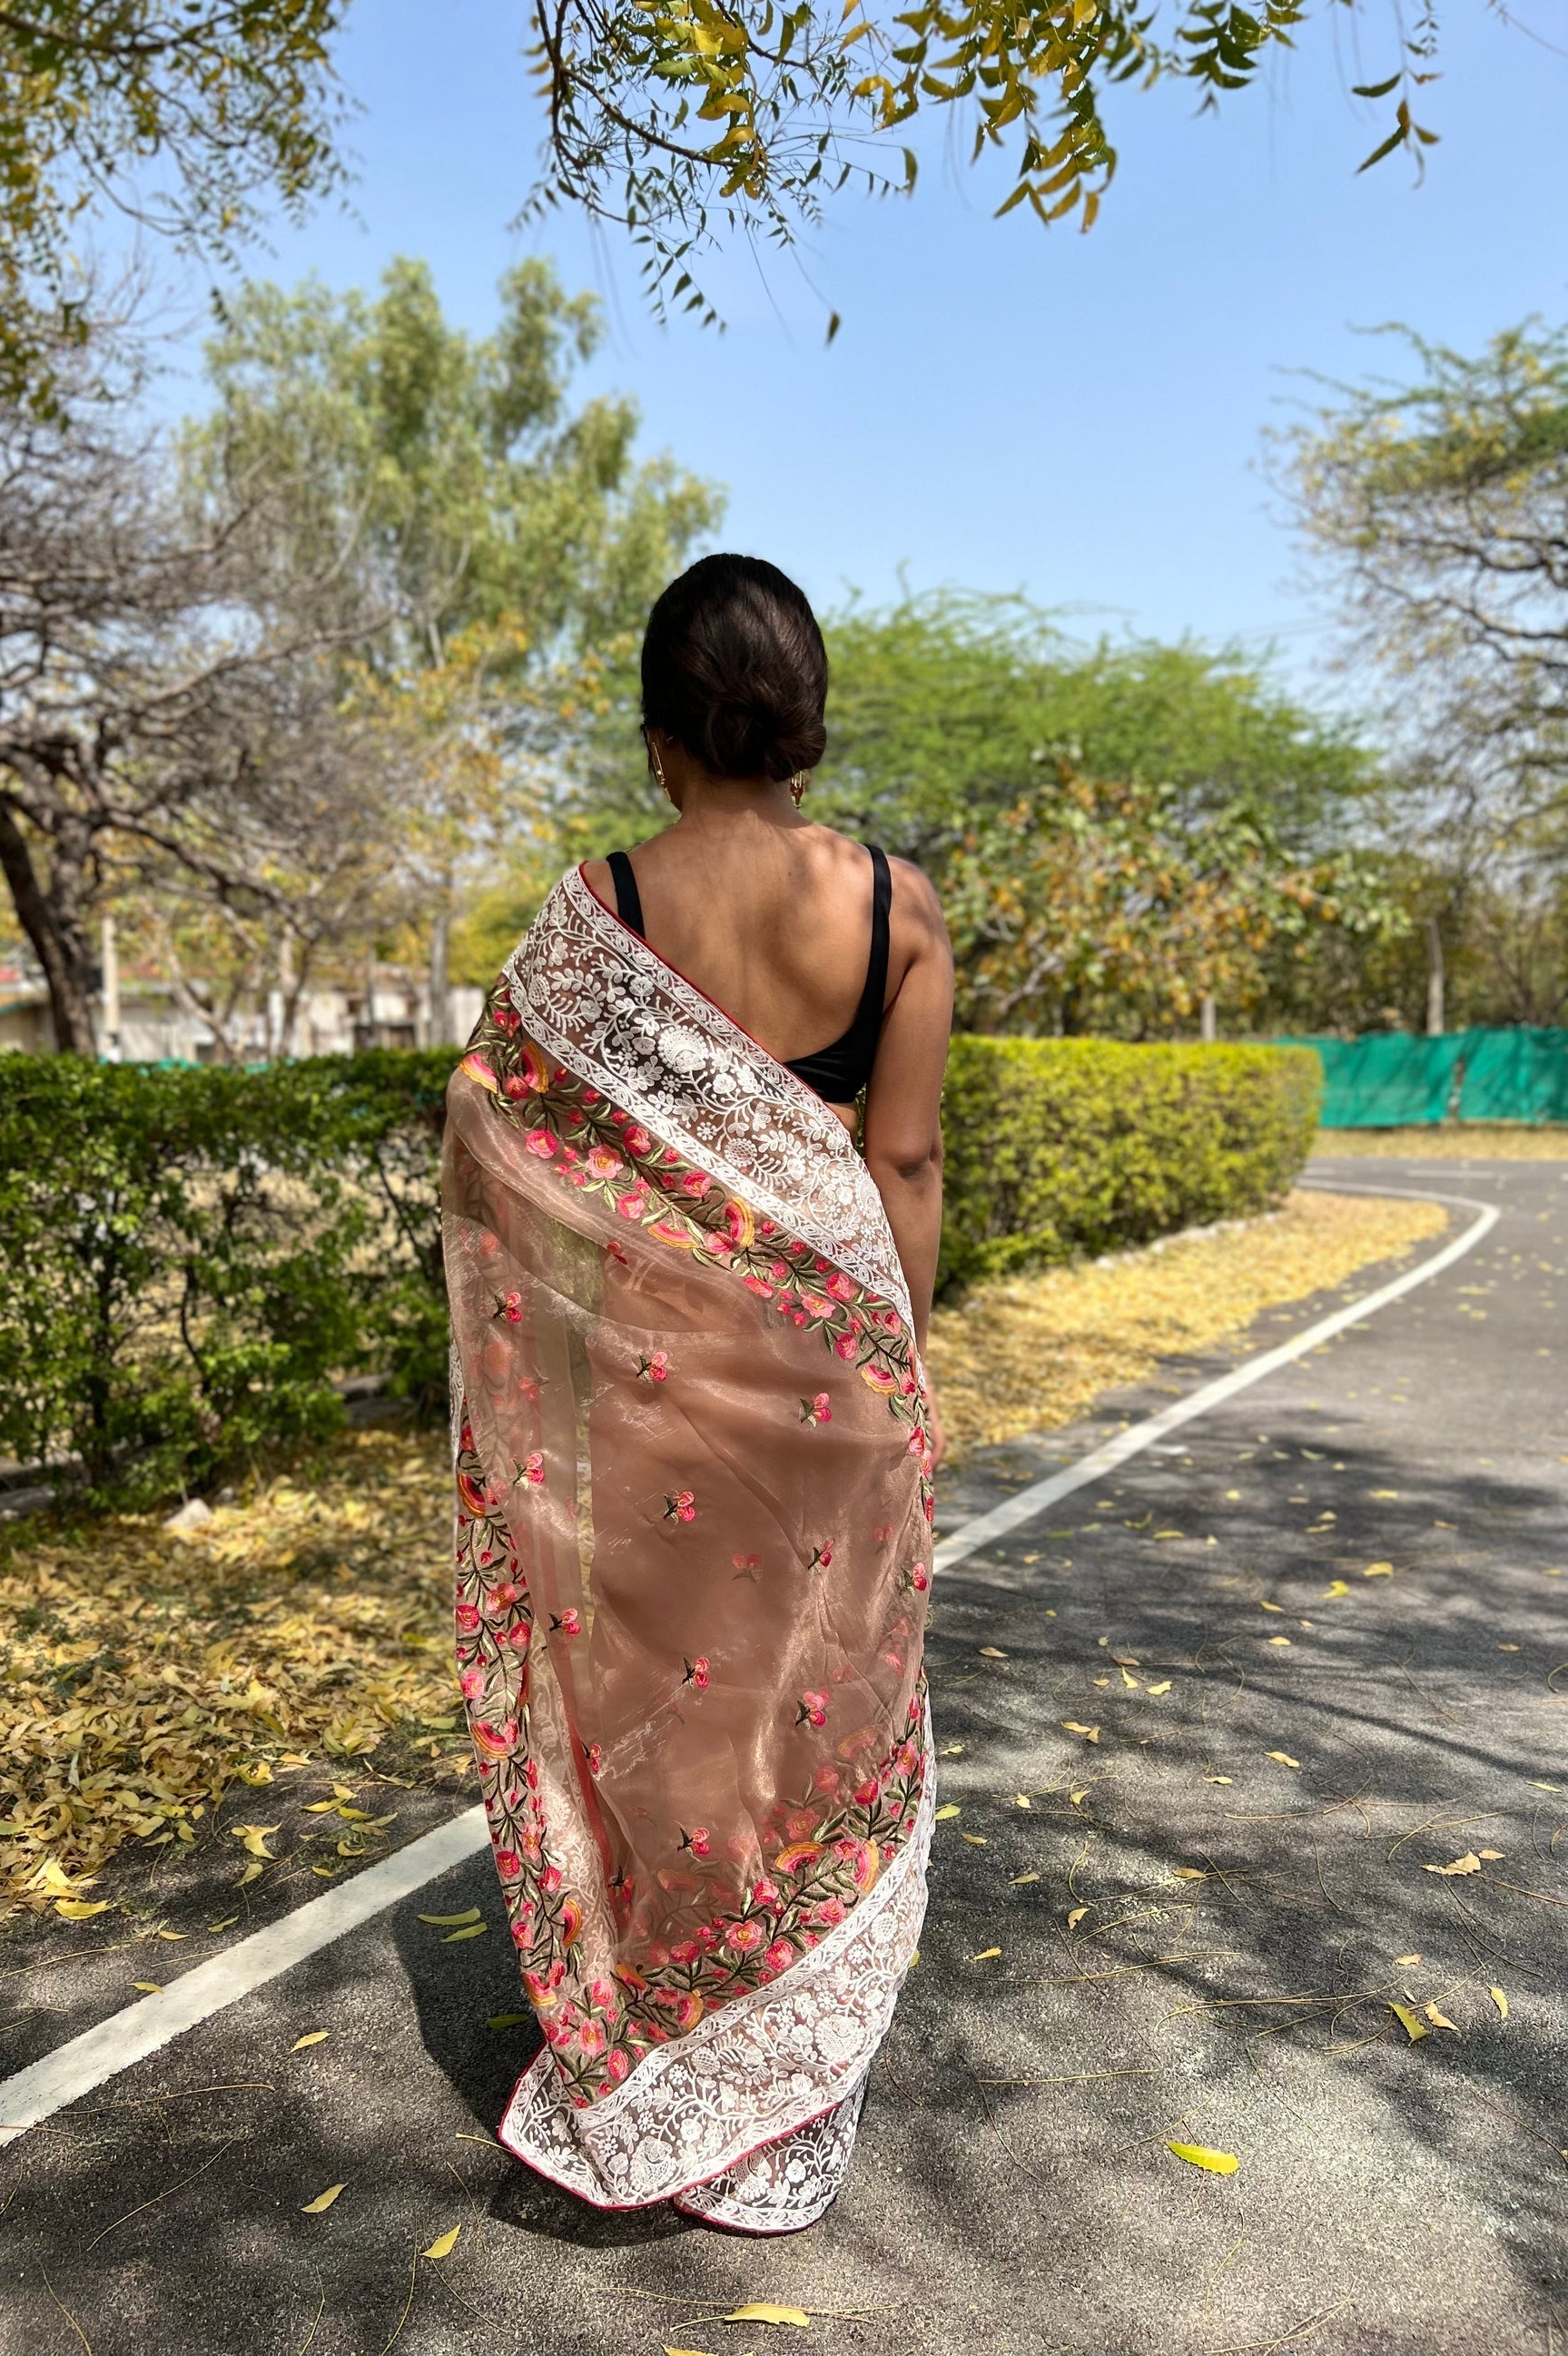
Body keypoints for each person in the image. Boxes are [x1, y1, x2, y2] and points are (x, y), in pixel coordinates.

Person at [440, 552, 954, 2232]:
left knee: (669, 1703)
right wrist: (902, 1366)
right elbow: (906, 1159)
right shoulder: (898, 907)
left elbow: (502, 1146)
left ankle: (666, 2025)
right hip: (837, 1383)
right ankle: (790, 2071)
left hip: (656, 1398)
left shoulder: (601, 907)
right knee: (823, 1702)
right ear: (806, 724)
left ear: (659, 735)